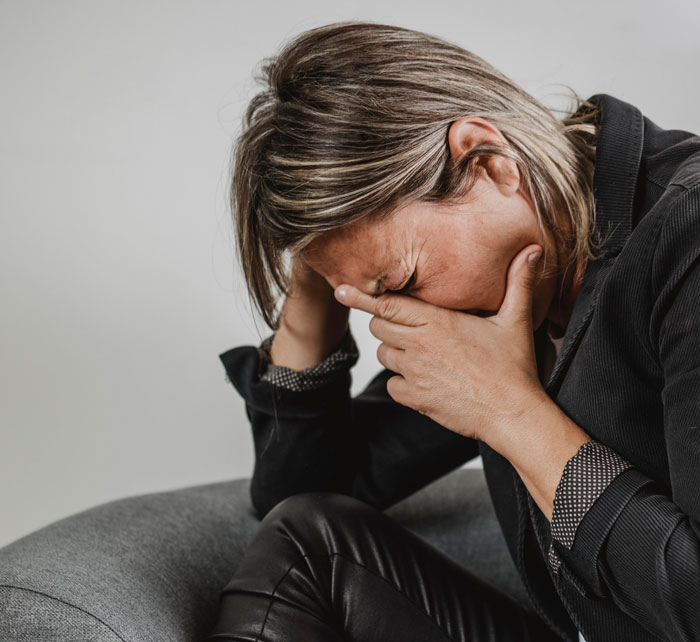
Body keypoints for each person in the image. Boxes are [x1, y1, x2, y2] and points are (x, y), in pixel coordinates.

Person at [208, 21, 700, 642]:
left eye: (402, 280)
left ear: (490, 163)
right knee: (310, 548)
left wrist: (512, 415)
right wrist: (313, 294)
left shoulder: (687, 238)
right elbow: (303, 493)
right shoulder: (496, 293)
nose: (403, 317)